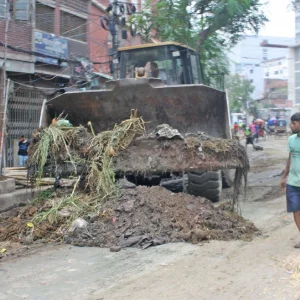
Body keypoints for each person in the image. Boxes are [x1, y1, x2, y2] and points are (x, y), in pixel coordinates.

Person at [281, 113, 300, 248]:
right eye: (291, 123)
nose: (291, 126)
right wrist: (284, 176)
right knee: (296, 210)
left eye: (294, 123)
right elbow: (289, 159)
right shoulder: (291, 139)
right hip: (293, 183)